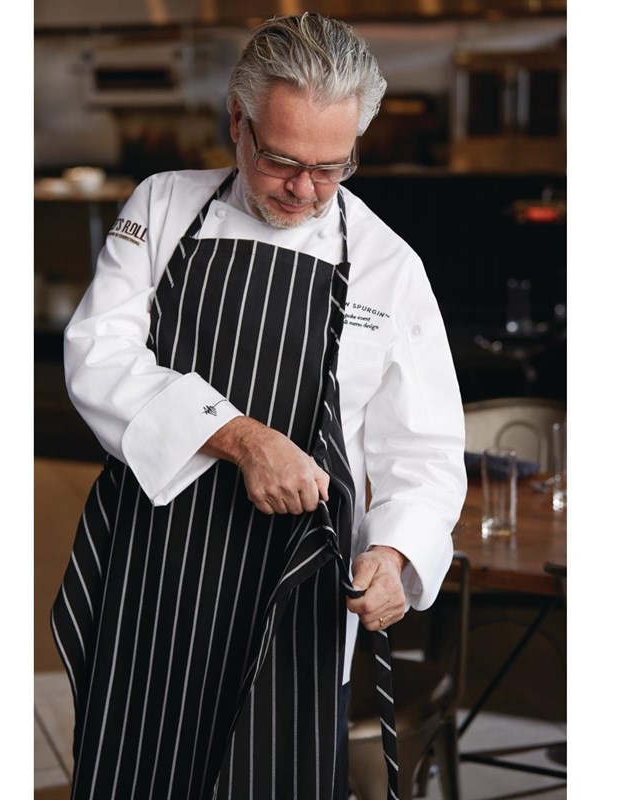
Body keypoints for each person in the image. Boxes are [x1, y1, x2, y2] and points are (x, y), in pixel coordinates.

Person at [51, 12, 466, 800]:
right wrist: (240, 438)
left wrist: (396, 556)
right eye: (281, 161)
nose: (304, 190)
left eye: (331, 168)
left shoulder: (389, 267)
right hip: (153, 570)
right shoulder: (164, 206)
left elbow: (425, 454)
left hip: (298, 590)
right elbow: (98, 355)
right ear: (237, 123)